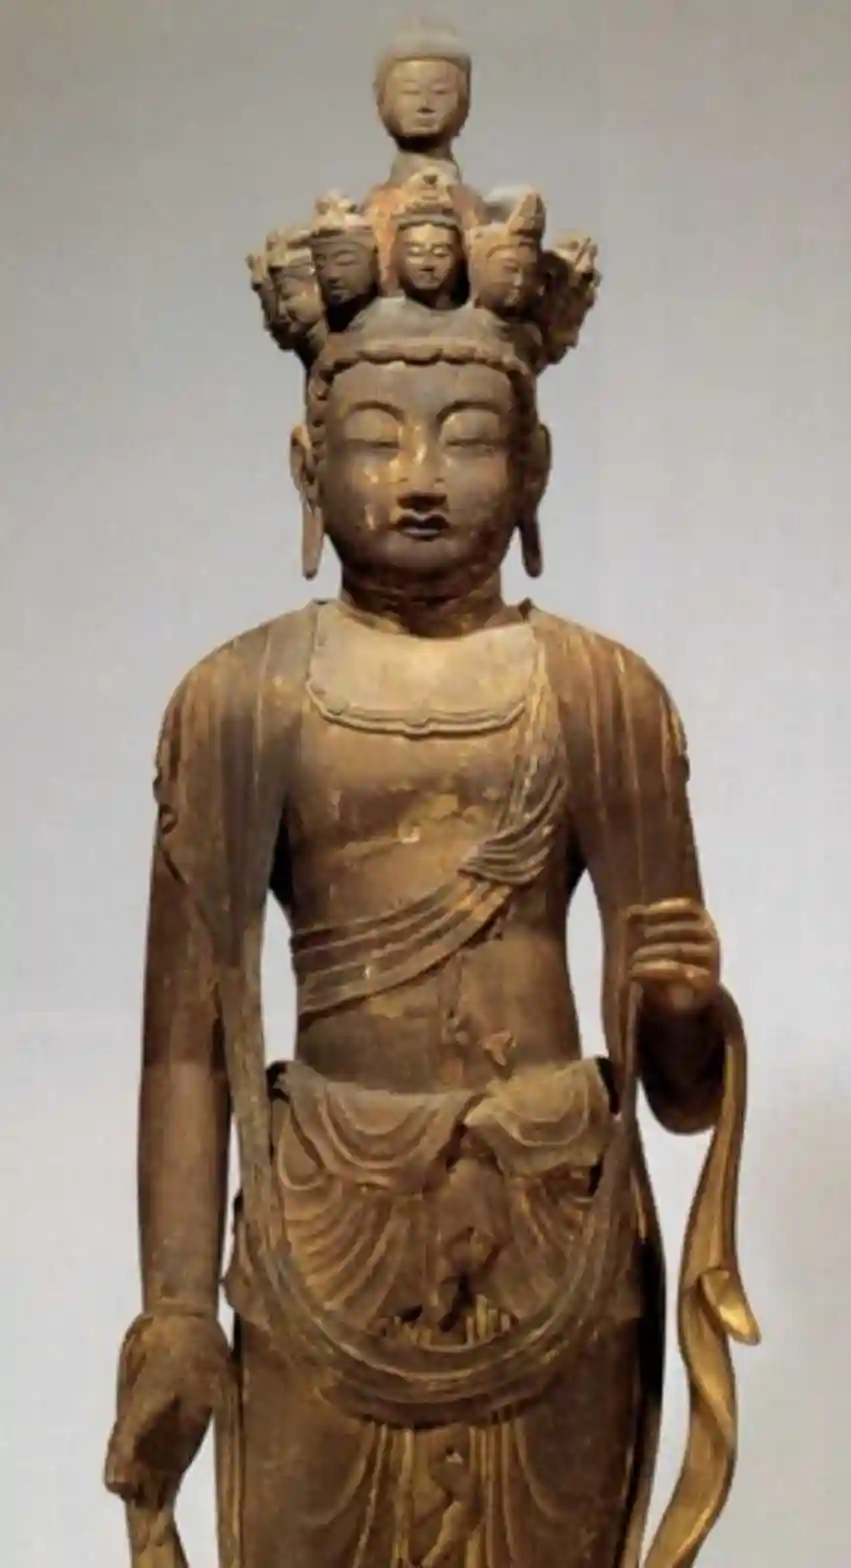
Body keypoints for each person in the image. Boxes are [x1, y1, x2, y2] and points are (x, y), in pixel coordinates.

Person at [104, 33, 758, 1568]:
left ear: (531, 469)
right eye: (371, 436)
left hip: (556, 1226)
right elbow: (186, 1043)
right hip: (318, 1233)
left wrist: (681, 1011)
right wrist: (175, 1311)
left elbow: (668, 1085)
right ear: (303, 463)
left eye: (466, 436)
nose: (416, 474)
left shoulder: (601, 697)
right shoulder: (240, 704)